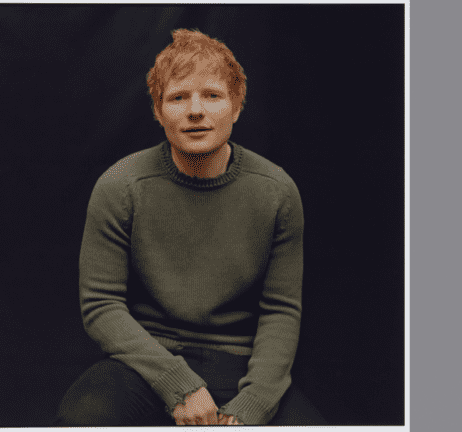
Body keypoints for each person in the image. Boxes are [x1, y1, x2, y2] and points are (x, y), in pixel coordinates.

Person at [54, 28, 327, 426]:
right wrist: (179, 385)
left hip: (241, 364)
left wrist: (253, 404)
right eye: (178, 97)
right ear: (158, 110)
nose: (195, 110)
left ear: (236, 107)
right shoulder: (120, 186)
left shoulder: (276, 191)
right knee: (84, 417)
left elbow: (281, 311)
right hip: (147, 363)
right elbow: (100, 304)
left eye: (212, 95)